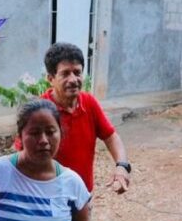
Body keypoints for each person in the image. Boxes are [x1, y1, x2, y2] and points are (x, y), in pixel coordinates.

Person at [18, 42, 132, 194]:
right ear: (50, 78)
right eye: (65, 74)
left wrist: (122, 166)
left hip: (83, 195)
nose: (73, 79)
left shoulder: (89, 103)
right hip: (48, 197)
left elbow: (111, 137)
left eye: (77, 72)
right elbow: (21, 154)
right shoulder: (39, 111)